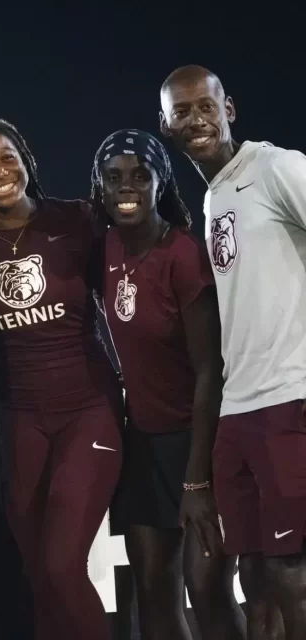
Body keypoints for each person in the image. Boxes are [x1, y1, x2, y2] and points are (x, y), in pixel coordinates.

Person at [0, 117, 122, 640]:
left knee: (63, 566)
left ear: (26, 159)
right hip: (17, 419)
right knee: (37, 574)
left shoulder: (79, 220)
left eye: (7, 157)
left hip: (88, 410)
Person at [161, 64, 306, 637]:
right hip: (238, 410)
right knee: (255, 575)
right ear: (166, 123)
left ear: (230, 109)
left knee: (292, 570)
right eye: (182, 111)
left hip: (290, 398)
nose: (196, 119)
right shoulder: (214, 193)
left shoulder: (276, 167)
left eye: (206, 106)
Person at [91, 129, 245, 639]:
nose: (126, 187)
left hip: (199, 441)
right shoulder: (106, 247)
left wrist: (198, 479)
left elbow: (210, 370)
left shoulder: (183, 255)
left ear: (160, 182)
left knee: (207, 593)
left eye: (140, 176)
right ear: (101, 186)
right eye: (114, 178)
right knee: (154, 590)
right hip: (143, 442)